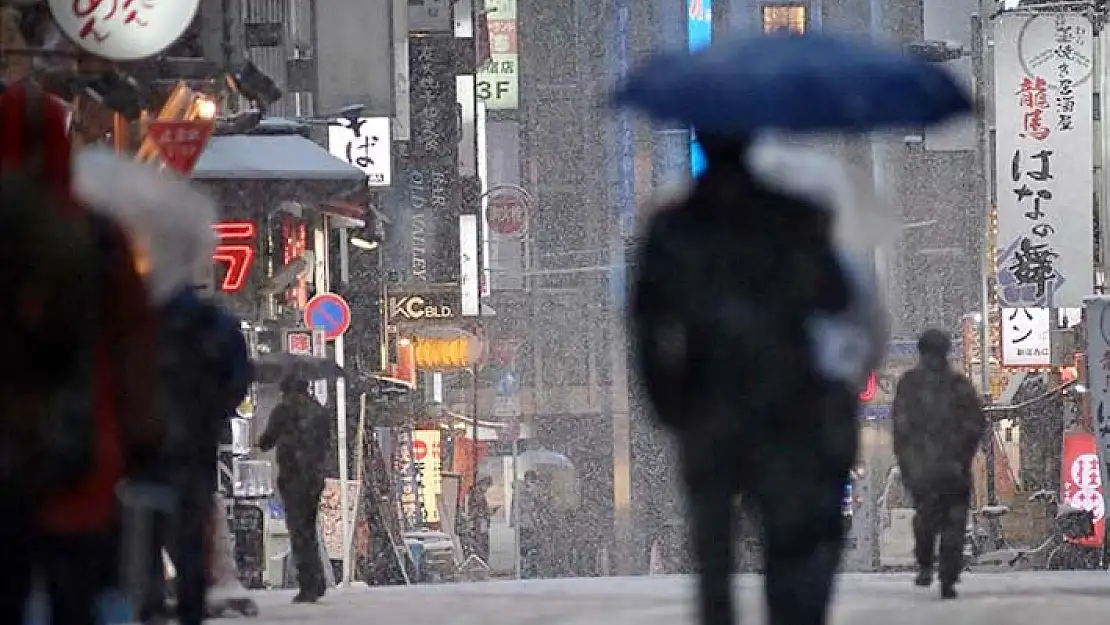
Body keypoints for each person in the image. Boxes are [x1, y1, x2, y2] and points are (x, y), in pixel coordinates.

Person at [630, 133, 882, 625]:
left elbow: (646, 323)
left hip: (706, 401)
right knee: (786, 540)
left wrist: (666, 398)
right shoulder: (794, 217)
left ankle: (718, 612)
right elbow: (834, 298)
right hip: (784, 402)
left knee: (713, 547)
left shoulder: (673, 225)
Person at [0, 81, 162, 625]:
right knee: (80, 590)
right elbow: (133, 343)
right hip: (80, 445)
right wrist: (144, 435)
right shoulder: (96, 236)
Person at [891, 329, 986, 599]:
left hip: (924, 469)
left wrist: (907, 460)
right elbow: (976, 425)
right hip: (953, 469)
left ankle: (927, 565)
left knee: (926, 519)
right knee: (953, 523)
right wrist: (963, 453)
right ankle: (947, 574)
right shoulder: (959, 385)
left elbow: (900, 427)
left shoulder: (910, 384)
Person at [259, 376, 333, 603]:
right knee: (308, 528)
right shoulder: (319, 411)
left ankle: (309, 584)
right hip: (314, 478)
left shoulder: (284, 410)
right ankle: (316, 580)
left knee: (298, 530)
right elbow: (326, 443)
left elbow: (266, 441)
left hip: (293, 477)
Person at [513, 471, 540, 578]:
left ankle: (527, 567)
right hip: (524, 524)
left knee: (530, 547)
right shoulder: (522, 492)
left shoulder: (525, 492)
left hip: (529, 524)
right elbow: (526, 507)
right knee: (525, 547)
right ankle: (524, 568)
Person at [466, 477, 494, 564]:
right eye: (486, 486)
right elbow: (477, 510)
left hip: (480, 523)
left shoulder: (478, 493)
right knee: (481, 544)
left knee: (481, 544)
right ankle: (482, 562)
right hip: (479, 523)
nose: (486, 489)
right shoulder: (477, 494)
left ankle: (482, 561)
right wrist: (486, 513)